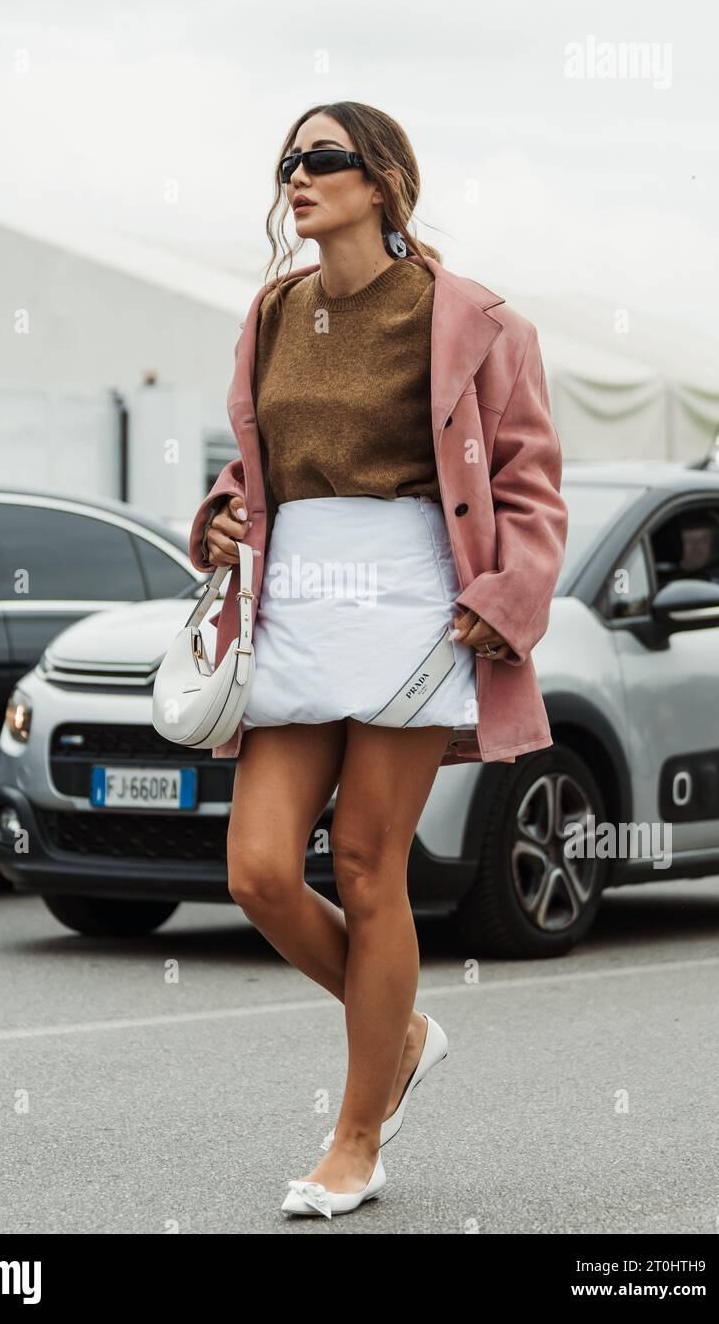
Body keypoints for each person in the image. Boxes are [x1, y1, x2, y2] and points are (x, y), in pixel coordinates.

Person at [190, 101, 568, 1219]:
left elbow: (529, 480)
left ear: (383, 181)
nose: (297, 178)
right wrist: (218, 514)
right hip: (298, 600)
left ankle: (356, 1139)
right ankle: (396, 1028)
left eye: (322, 160)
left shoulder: (470, 320)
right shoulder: (271, 313)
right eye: (287, 162)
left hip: (411, 601)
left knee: (365, 861)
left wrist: (510, 596)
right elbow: (254, 463)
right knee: (257, 869)